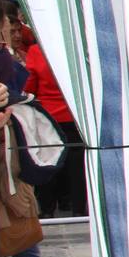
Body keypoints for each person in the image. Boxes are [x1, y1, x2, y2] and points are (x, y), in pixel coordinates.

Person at [0, 6, 98, 257]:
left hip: (14, 159)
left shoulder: (23, 54)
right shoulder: (13, 55)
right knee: (23, 243)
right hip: (8, 165)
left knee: (25, 244)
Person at [24, 24, 87, 217]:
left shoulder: (36, 51)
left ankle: (47, 209)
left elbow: (29, 86)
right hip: (75, 116)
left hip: (48, 117)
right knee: (77, 168)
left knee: (49, 162)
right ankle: (79, 209)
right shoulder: (76, 51)